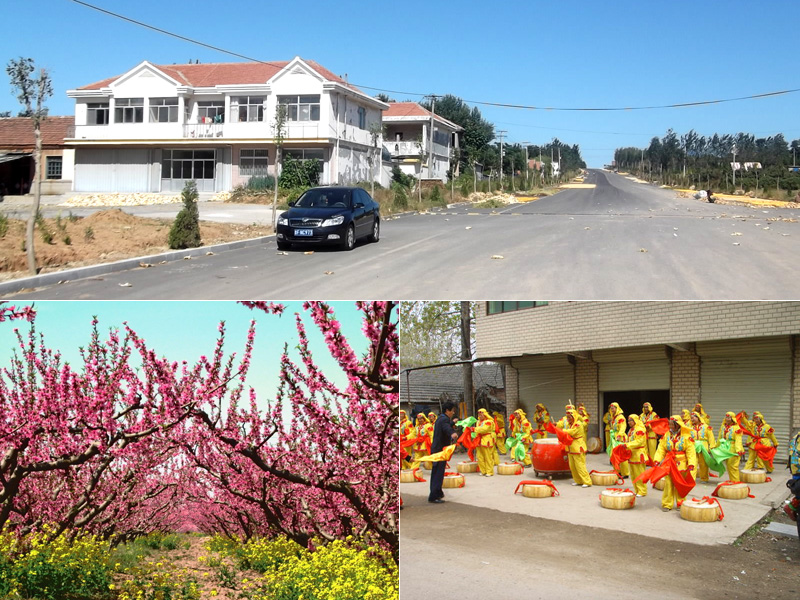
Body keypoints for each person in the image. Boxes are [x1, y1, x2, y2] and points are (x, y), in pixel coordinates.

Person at [652, 415, 697, 511]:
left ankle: (681, 503)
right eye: (670, 424)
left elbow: (690, 451)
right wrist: (657, 460)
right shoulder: (666, 435)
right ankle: (667, 504)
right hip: (669, 462)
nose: (670, 425)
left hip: (681, 464)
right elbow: (661, 449)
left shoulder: (686, 436)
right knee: (668, 483)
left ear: (678, 424)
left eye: (672, 424)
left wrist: (691, 464)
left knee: (679, 484)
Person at [428, 401, 459, 504]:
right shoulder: (444, 419)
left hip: (437, 449)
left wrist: (452, 422)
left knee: (437, 471)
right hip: (439, 450)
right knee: (438, 472)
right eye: (452, 411)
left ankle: (438, 492)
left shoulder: (441, 418)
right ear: (447, 410)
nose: (453, 413)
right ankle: (434, 496)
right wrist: (453, 433)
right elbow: (446, 428)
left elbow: (445, 425)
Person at [563, 408, 592, 487]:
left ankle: (587, 481)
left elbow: (572, 432)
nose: (568, 419)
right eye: (567, 417)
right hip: (571, 447)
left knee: (580, 465)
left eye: (569, 417)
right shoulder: (570, 425)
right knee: (572, 466)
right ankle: (578, 481)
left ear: (574, 417)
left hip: (578, 447)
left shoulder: (578, 424)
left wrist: (562, 431)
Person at [626, 414, 649, 496]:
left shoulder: (640, 429)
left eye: (630, 420)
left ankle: (642, 491)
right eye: (628, 421)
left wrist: (627, 445)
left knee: (639, 474)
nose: (629, 422)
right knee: (633, 474)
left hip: (638, 454)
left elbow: (639, 441)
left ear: (635, 420)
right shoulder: (631, 430)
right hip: (632, 454)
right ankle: (637, 490)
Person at [718, 411, 745, 482]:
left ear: (732, 418)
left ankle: (736, 482)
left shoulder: (736, 428)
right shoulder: (723, 426)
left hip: (734, 448)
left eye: (729, 417)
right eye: (726, 417)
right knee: (729, 466)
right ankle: (732, 480)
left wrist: (738, 449)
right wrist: (716, 446)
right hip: (726, 448)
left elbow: (738, 439)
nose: (727, 419)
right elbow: (719, 437)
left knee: (733, 466)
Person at [690, 411, 715, 483]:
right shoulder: (690, 428)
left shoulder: (706, 427)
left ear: (698, 417)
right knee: (693, 462)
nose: (692, 419)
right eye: (691, 418)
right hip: (693, 446)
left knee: (703, 464)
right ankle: (691, 478)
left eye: (693, 417)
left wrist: (712, 446)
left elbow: (711, 437)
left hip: (703, 446)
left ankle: (704, 478)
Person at [606, 402, 629, 478]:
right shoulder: (613, 417)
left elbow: (623, 427)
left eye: (613, 408)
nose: (612, 409)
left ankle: (625, 473)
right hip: (613, 437)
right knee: (614, 455)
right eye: (611, 408)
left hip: (620, 438)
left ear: (617, 408)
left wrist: (619, 435)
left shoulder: (620, 417)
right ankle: (617, 471)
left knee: (621, 456)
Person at [473, 408, 497, 476]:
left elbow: (484, 429)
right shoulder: (478, 422)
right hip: (479, 440)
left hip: (487, 440)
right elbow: (479, 430)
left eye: (481, 414)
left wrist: (474, 429)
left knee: (488, 457)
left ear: (485, 414)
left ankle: (489, 471)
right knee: (480, 457)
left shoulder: (489, 421)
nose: (480, 416)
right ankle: (483, 471)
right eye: (479, 414)